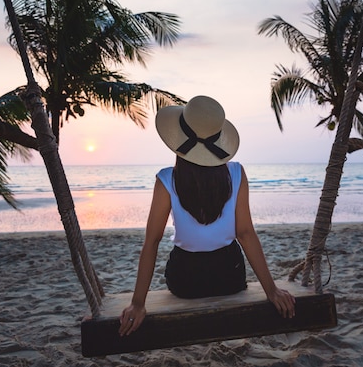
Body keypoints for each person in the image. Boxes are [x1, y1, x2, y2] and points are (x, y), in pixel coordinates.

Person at [119, 95, 295, 336]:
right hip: (229, 277)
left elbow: (152, 242)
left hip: (185, 281)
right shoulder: (236, 173)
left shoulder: (166, 179)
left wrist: (138, 303)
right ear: (219, 140)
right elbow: (245, 234)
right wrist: (271, 290)